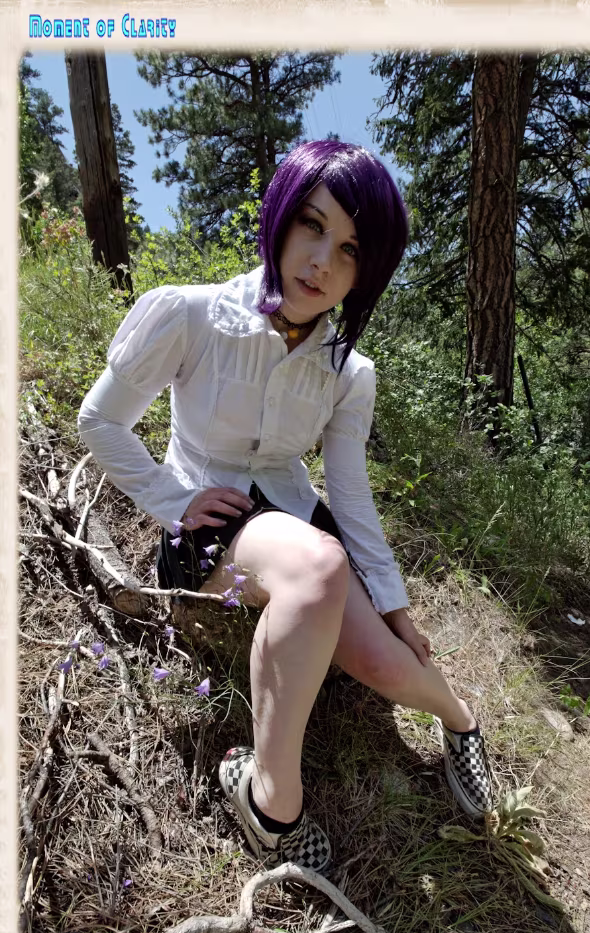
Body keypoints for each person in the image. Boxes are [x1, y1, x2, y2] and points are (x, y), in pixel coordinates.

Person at [78, 140, 493, 874]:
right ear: (279, 217)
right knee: (319, 565)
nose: (322, 262)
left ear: (366, 271)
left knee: (384, 661)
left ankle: (462, 722)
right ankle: (272, 801)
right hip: (212, 525)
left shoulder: (348, 372)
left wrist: (393, 604)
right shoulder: (191, 315)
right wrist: (173, 497)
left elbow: (350, 493)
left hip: (300, 526)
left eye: (351, 249)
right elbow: (100, 420)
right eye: (311, 224)